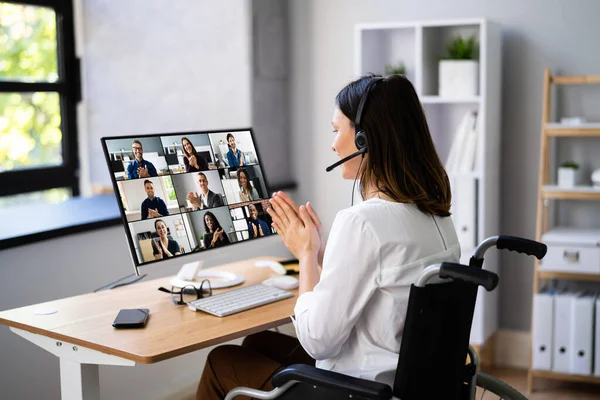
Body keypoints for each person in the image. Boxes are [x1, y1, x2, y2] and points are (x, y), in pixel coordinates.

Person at [195, 74, 460, 400]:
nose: (333, 144)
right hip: (406, 381)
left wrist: (305, 255)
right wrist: (322, 252)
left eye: (337, 131)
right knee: (258, 343)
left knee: (221, 361)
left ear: (365, 139)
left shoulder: (362, 222)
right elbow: (381, 275)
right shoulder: (435, 214)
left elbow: (317, 339)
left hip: (362, 391)